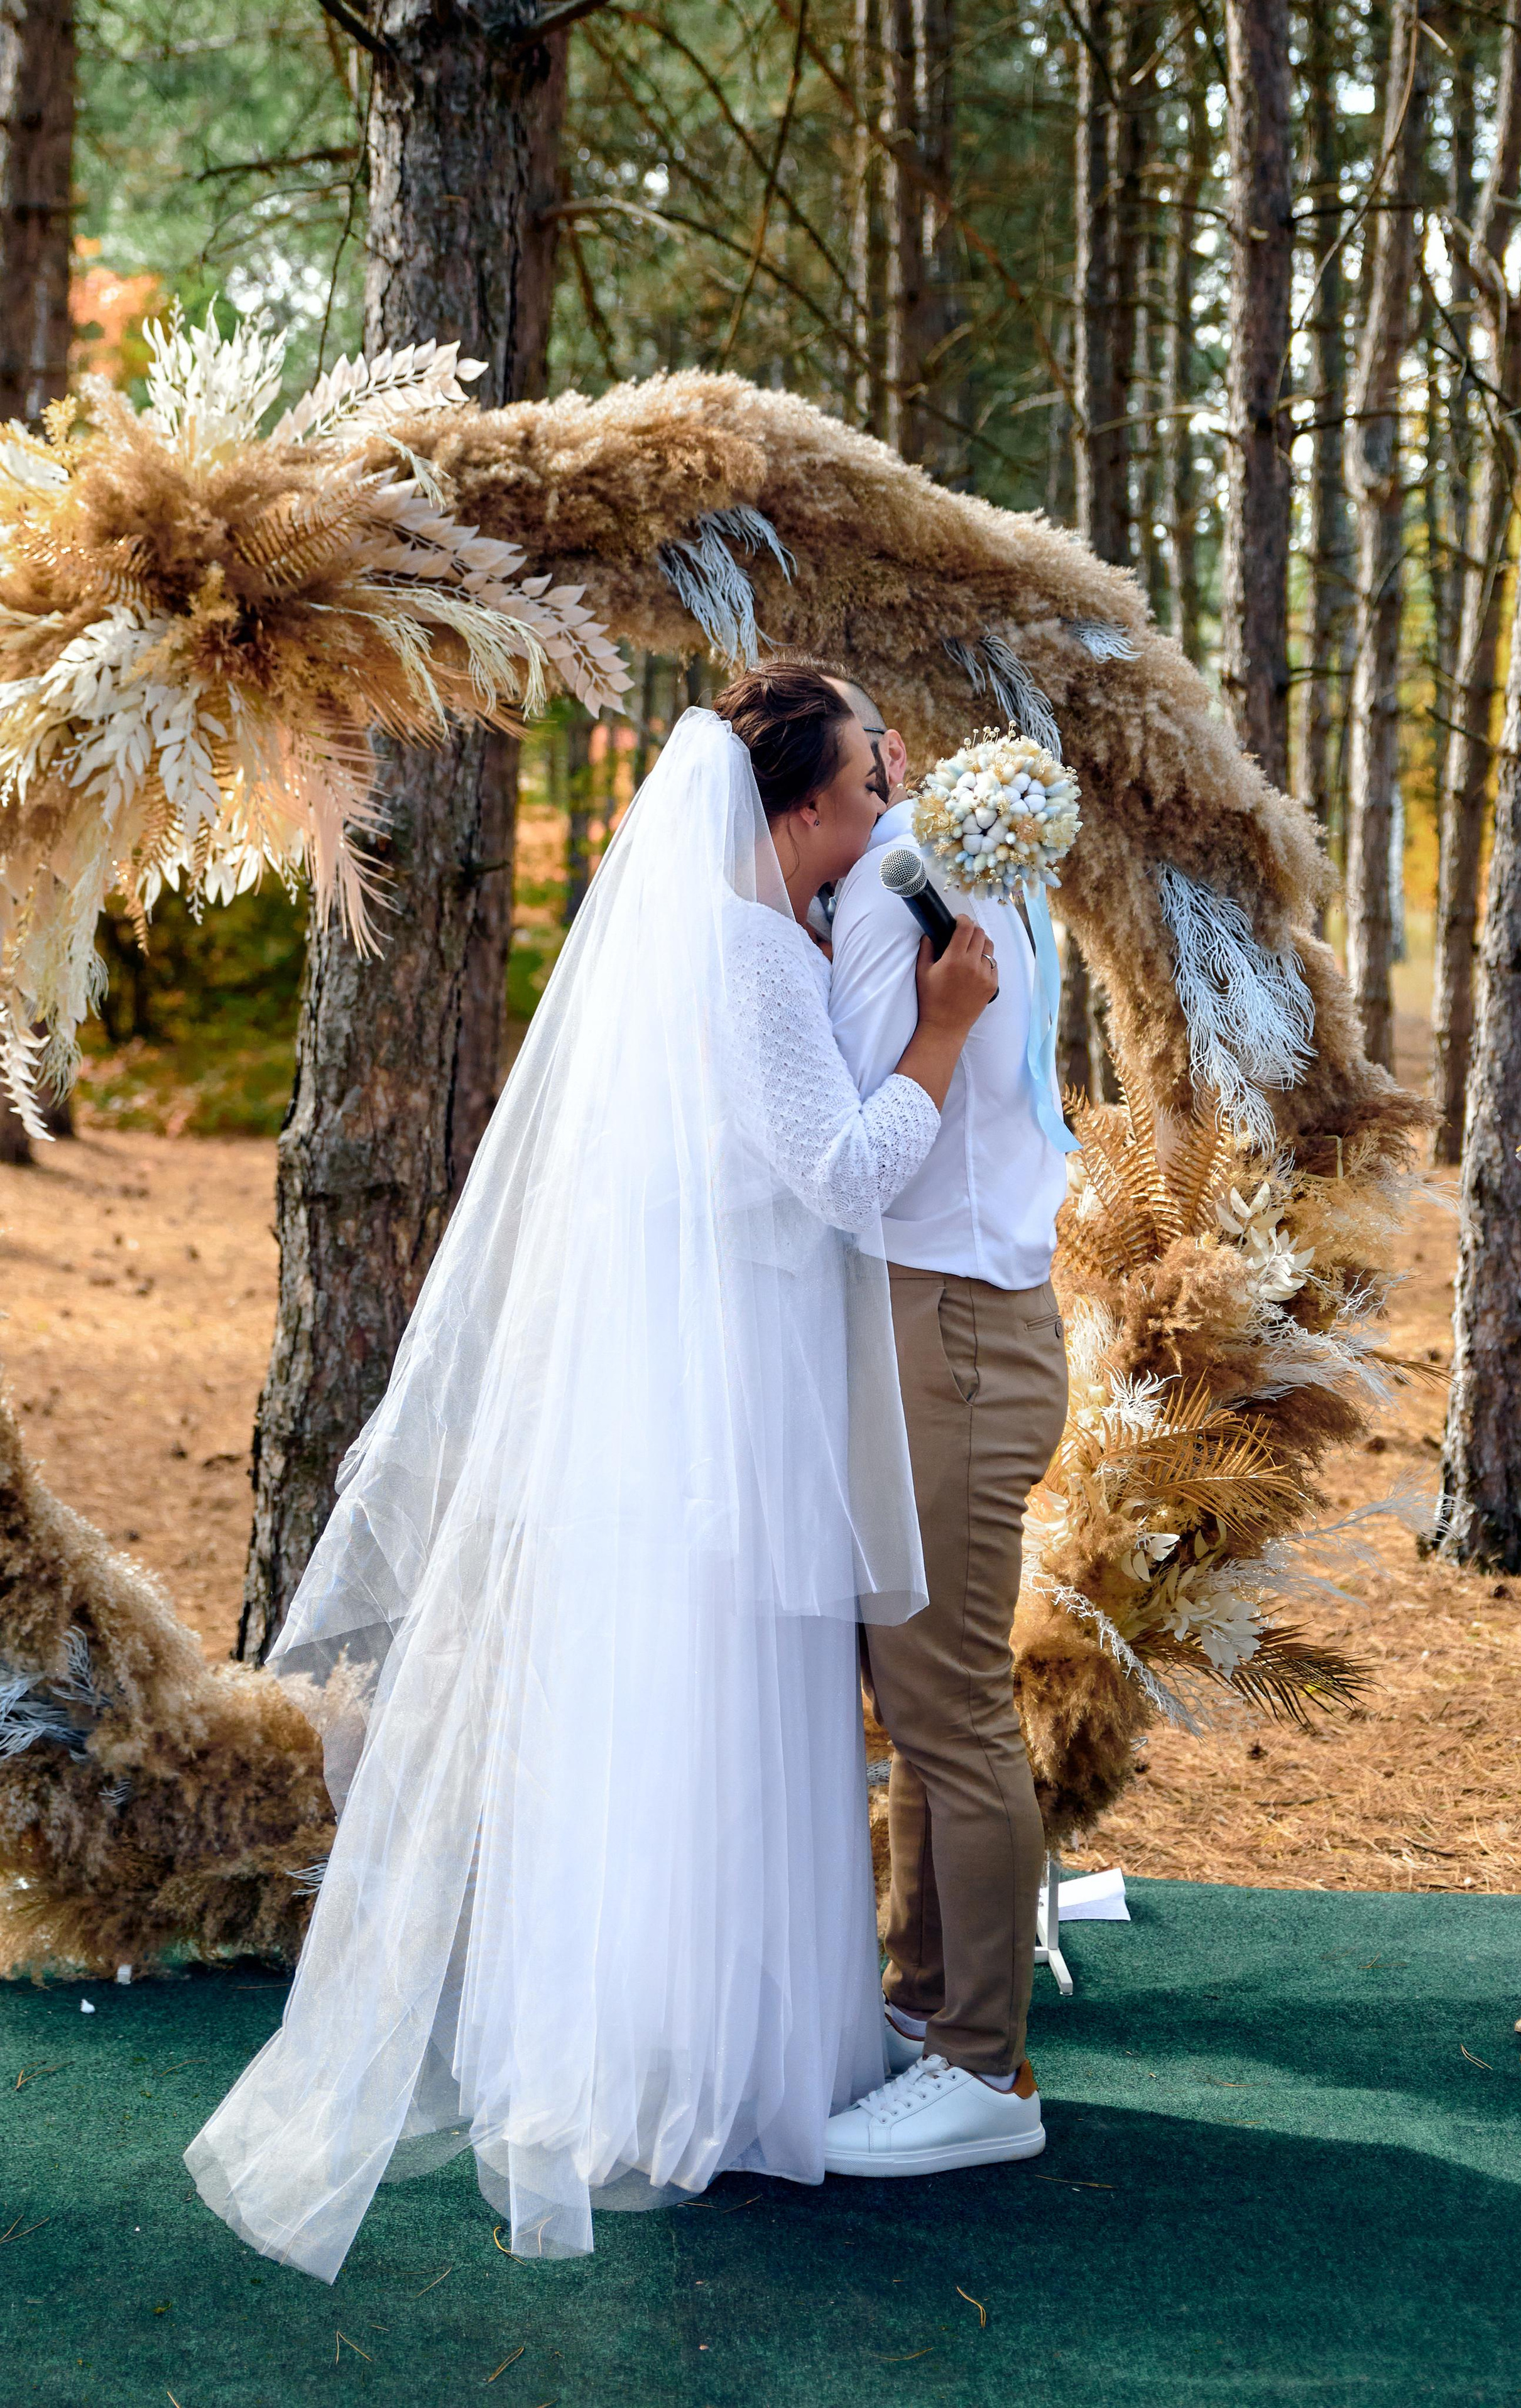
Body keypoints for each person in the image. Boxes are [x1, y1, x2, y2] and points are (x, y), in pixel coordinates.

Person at [183, 671, 998, 2275]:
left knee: (675, 1712)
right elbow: (840, 1175)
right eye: (856, 783)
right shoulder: (752, 951)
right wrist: (942, 1036)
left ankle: (716, 2041)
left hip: (686, 1379)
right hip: (727, 1403)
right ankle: (698, 2068)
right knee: (717, 1712)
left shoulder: (720, 941)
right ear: (794, 812)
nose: (875, 805)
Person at [817, 671, 1076, 2177]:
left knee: (951, 1709)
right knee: (922, 1704)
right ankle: (923, 2007)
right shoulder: (938, 865)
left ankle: (985, 2070)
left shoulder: (898, 881)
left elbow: (854, 1137)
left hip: (952, 1332)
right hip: (959, 1321)